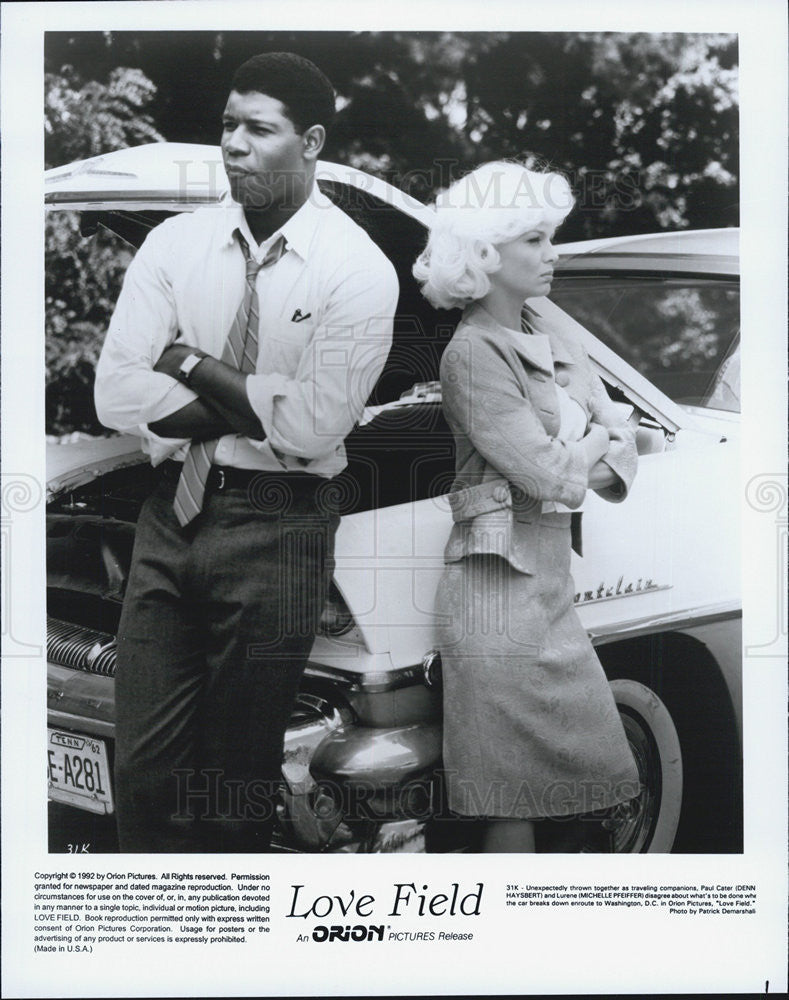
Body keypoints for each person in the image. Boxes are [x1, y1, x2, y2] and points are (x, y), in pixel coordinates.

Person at [94, 52, 399, 852]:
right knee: (146, 774)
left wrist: (190, 361)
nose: (233, 144)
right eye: (228, 125)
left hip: (281, 525)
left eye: (258, 129)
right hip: (169, 518)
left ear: (311, 141)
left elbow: (309, 431)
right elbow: (115, 396)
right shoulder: (174, 245)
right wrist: (258, 397)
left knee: (233, 783)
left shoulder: (356, 269)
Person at [413, 161, 640, 853]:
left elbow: (621, 442)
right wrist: (601, 435)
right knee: (510, 802)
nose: (553, 254)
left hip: (547, 591)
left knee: (591, 780)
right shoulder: (471, 354)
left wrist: (598, 439)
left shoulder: (552, 333)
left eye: (551, 238)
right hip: (493, 602)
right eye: (535, 240)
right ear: (484, 253)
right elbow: (550, 475)